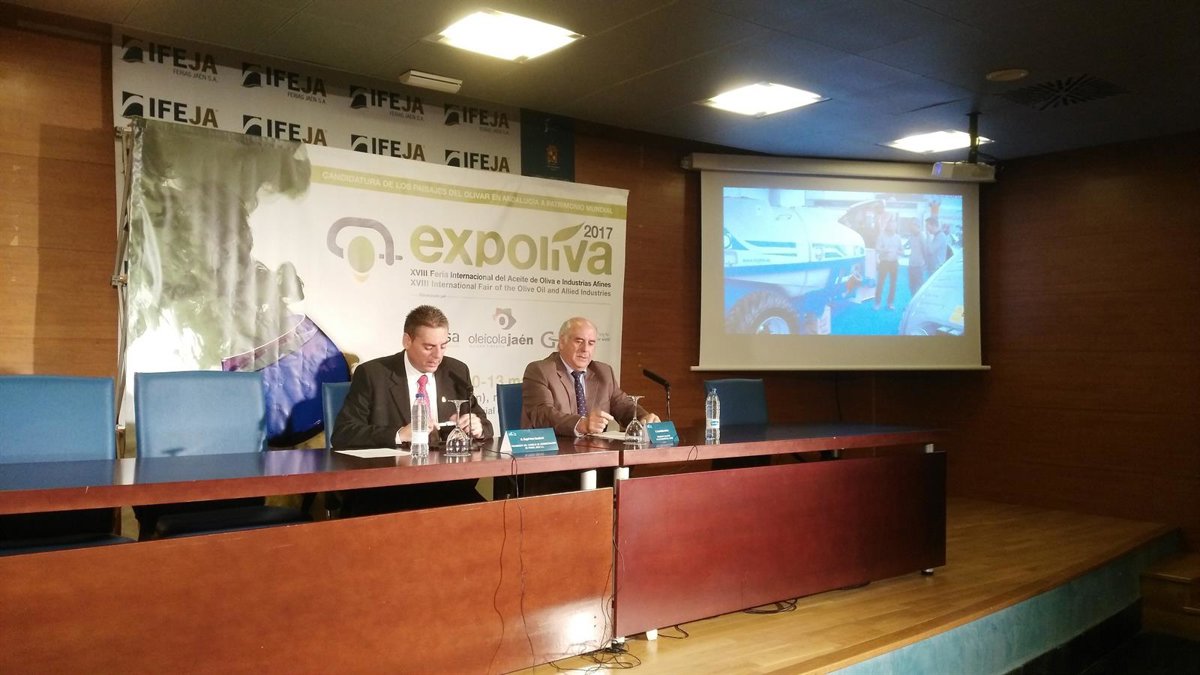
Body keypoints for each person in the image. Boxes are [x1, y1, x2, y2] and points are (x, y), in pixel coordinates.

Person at [331, 304, 492, 514]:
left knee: (495, 518)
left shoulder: (456, 371)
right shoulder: (373, 374)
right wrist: (399, 434)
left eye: (443, 346)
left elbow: (485, 424)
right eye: (429, 347)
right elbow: (343, 434)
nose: (438, 355)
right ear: (407, 341)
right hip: (387, 489)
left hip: (446, 486)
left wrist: (478, 427)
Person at [522, 317, 659, 436]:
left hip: (596, 451)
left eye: (591, 343)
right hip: (554, 451)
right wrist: (581, 424)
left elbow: (623, 406)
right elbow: (542, 414)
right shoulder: (541, 371)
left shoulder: (603, 372)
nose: (585, 349)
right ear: (562, 342)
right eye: (579, 341)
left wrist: (643, 418)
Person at [873, 213, 902, 311]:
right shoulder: (881, 236)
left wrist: (899, 252)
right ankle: (877, 303)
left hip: (894, 263)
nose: (893, 226)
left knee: (893, 284)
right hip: (884, 263)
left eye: (894, 225)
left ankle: (890, 303)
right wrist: (884, 250)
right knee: (880, 283)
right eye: (891, 224)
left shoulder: (898, 237)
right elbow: (877, 248)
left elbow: (902, 251)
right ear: (888, 226)